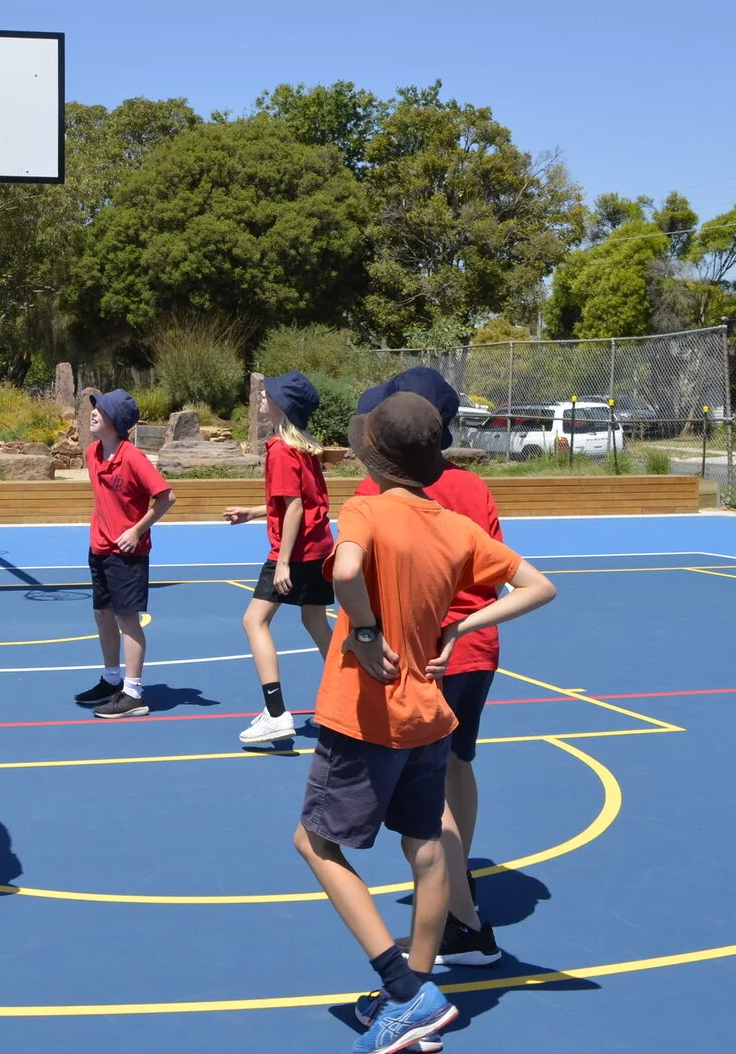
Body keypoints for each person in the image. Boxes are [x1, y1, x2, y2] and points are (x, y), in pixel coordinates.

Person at [295, 392, 556, 1054]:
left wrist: (365, 631)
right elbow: (538, 585)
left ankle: (406, 990)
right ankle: (411, 989)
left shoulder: (366, 509)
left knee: (315, 843)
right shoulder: (456, 526)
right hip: (428, 716)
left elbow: (346, 568)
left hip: (366, 716)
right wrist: (463, 621)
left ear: (374, 455)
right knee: (428, 847)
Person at [354, 368, 506, 967]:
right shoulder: (472, 486)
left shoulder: (381, 492)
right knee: (458, 767)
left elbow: (365, 577)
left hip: (420, 656)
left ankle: (460, 918)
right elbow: (495, 570)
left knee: (421, 804)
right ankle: (456, 881)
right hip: (477, 646)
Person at [223, 372, 334, 745]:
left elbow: (296, 508)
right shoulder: (305, 447)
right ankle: (343, 701)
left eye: (267, 393)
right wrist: (254, 513)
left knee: (254, 621)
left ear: (281, 405)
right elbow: (296, 502)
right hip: (320, 549)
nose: (260, 396)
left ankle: (275, 713)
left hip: (297, 553)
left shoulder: (280, 450)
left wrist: (283, 561)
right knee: (316, 622)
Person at [71, 390, 175, 719]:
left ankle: (133, 693)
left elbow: (166, 497)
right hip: (99, 548)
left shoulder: (133, 458)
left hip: (127, 552)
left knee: (127, 620)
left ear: (116, 421)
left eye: (101, 410)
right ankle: (111, 679)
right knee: (103, 613)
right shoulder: (92, 453)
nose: (94, 413)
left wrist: (136, 530)